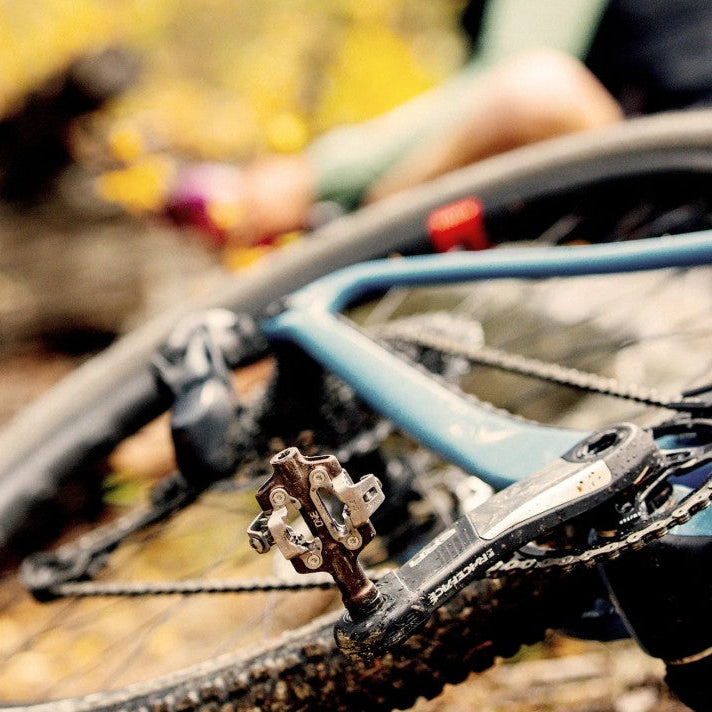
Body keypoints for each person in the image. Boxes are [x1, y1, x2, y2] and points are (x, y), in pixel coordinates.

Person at [166, 0, 712, 247]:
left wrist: (314, 175)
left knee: (535, 92)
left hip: (684, 164)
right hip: (658, 177)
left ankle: (363, 240)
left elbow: (516, 77)